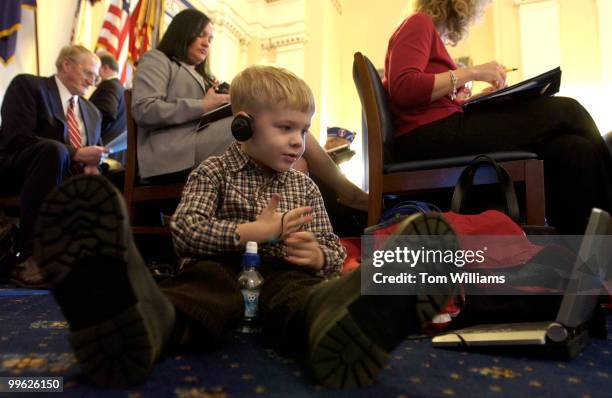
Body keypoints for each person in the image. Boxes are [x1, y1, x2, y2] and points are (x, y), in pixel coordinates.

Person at [33, 65, 458, 388]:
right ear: (244, 124)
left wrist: (318, 256)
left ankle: (339, 322)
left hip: (278, 278)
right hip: (219, 269)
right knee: (200, 287)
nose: (298, 141)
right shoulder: (213, 171)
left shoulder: (305, 186)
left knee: (299, 293)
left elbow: (330, 248)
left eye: (303, 130)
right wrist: (250, 232)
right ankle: (141, 324)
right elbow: (185, 231)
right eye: (286, 128)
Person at [383, 0, 612, 234]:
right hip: (429, 135)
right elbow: (404, 88)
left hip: (437, 131)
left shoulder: (428, 33)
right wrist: (473, 72)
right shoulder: (418, 23)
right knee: (568, 110)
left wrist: (470, 101)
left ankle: (581, 253)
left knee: (572, 149)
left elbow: (428, 98)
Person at [132, 8, 367, 211]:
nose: (206, 43)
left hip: (201, 140)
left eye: (211, 38)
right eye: (201, 35)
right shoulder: (158, 59)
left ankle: (300, 232)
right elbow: (144, 109)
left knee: (294, 148)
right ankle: (348, 194)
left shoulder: (205, 76)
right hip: (172, 150)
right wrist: (204, 104)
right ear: (183, 32)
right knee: (270, 129)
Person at [0, 45, 108, 287]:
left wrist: (94, 165)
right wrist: (76, 153)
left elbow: (92, 153)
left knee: (111, 177)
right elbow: (17, 139)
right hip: (19, 170)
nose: (92, 82)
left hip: (68, 176)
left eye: (96, 77)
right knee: (54, 151)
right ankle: (32, 256)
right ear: (66, 65)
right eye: (88, 73)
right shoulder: (29, 86)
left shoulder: (92, 113)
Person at [89, 51, 127, 165]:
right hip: (116, 155)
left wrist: (88, 136)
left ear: (105, 68)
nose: (92, 75)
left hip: (102, 153)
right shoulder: (121, 89)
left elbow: (107, 112)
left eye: (94, 69)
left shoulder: (109, 85)